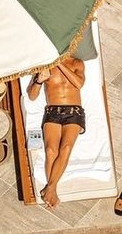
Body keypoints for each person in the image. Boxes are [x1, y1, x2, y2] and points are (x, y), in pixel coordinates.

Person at [26, 54, 86, 208]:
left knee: (66, 148)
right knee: (51, 150)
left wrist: (59, 64)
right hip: (52, 111)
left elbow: (79, 84)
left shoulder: (77, 63)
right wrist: (39, 80)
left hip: (74, 111)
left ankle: (50, 188)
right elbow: (32, 96)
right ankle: (52, 190)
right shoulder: (44, 65)